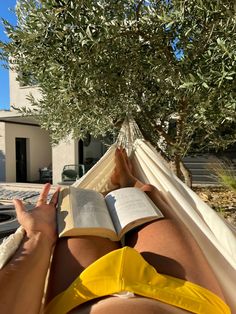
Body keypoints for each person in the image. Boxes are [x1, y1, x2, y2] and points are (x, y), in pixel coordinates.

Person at [0, 148, 230, 314]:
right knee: (148, 195)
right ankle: (130, 183)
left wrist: (39, 234)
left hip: (78, 295)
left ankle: (124, 183)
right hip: (186, 298)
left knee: (80, 199)